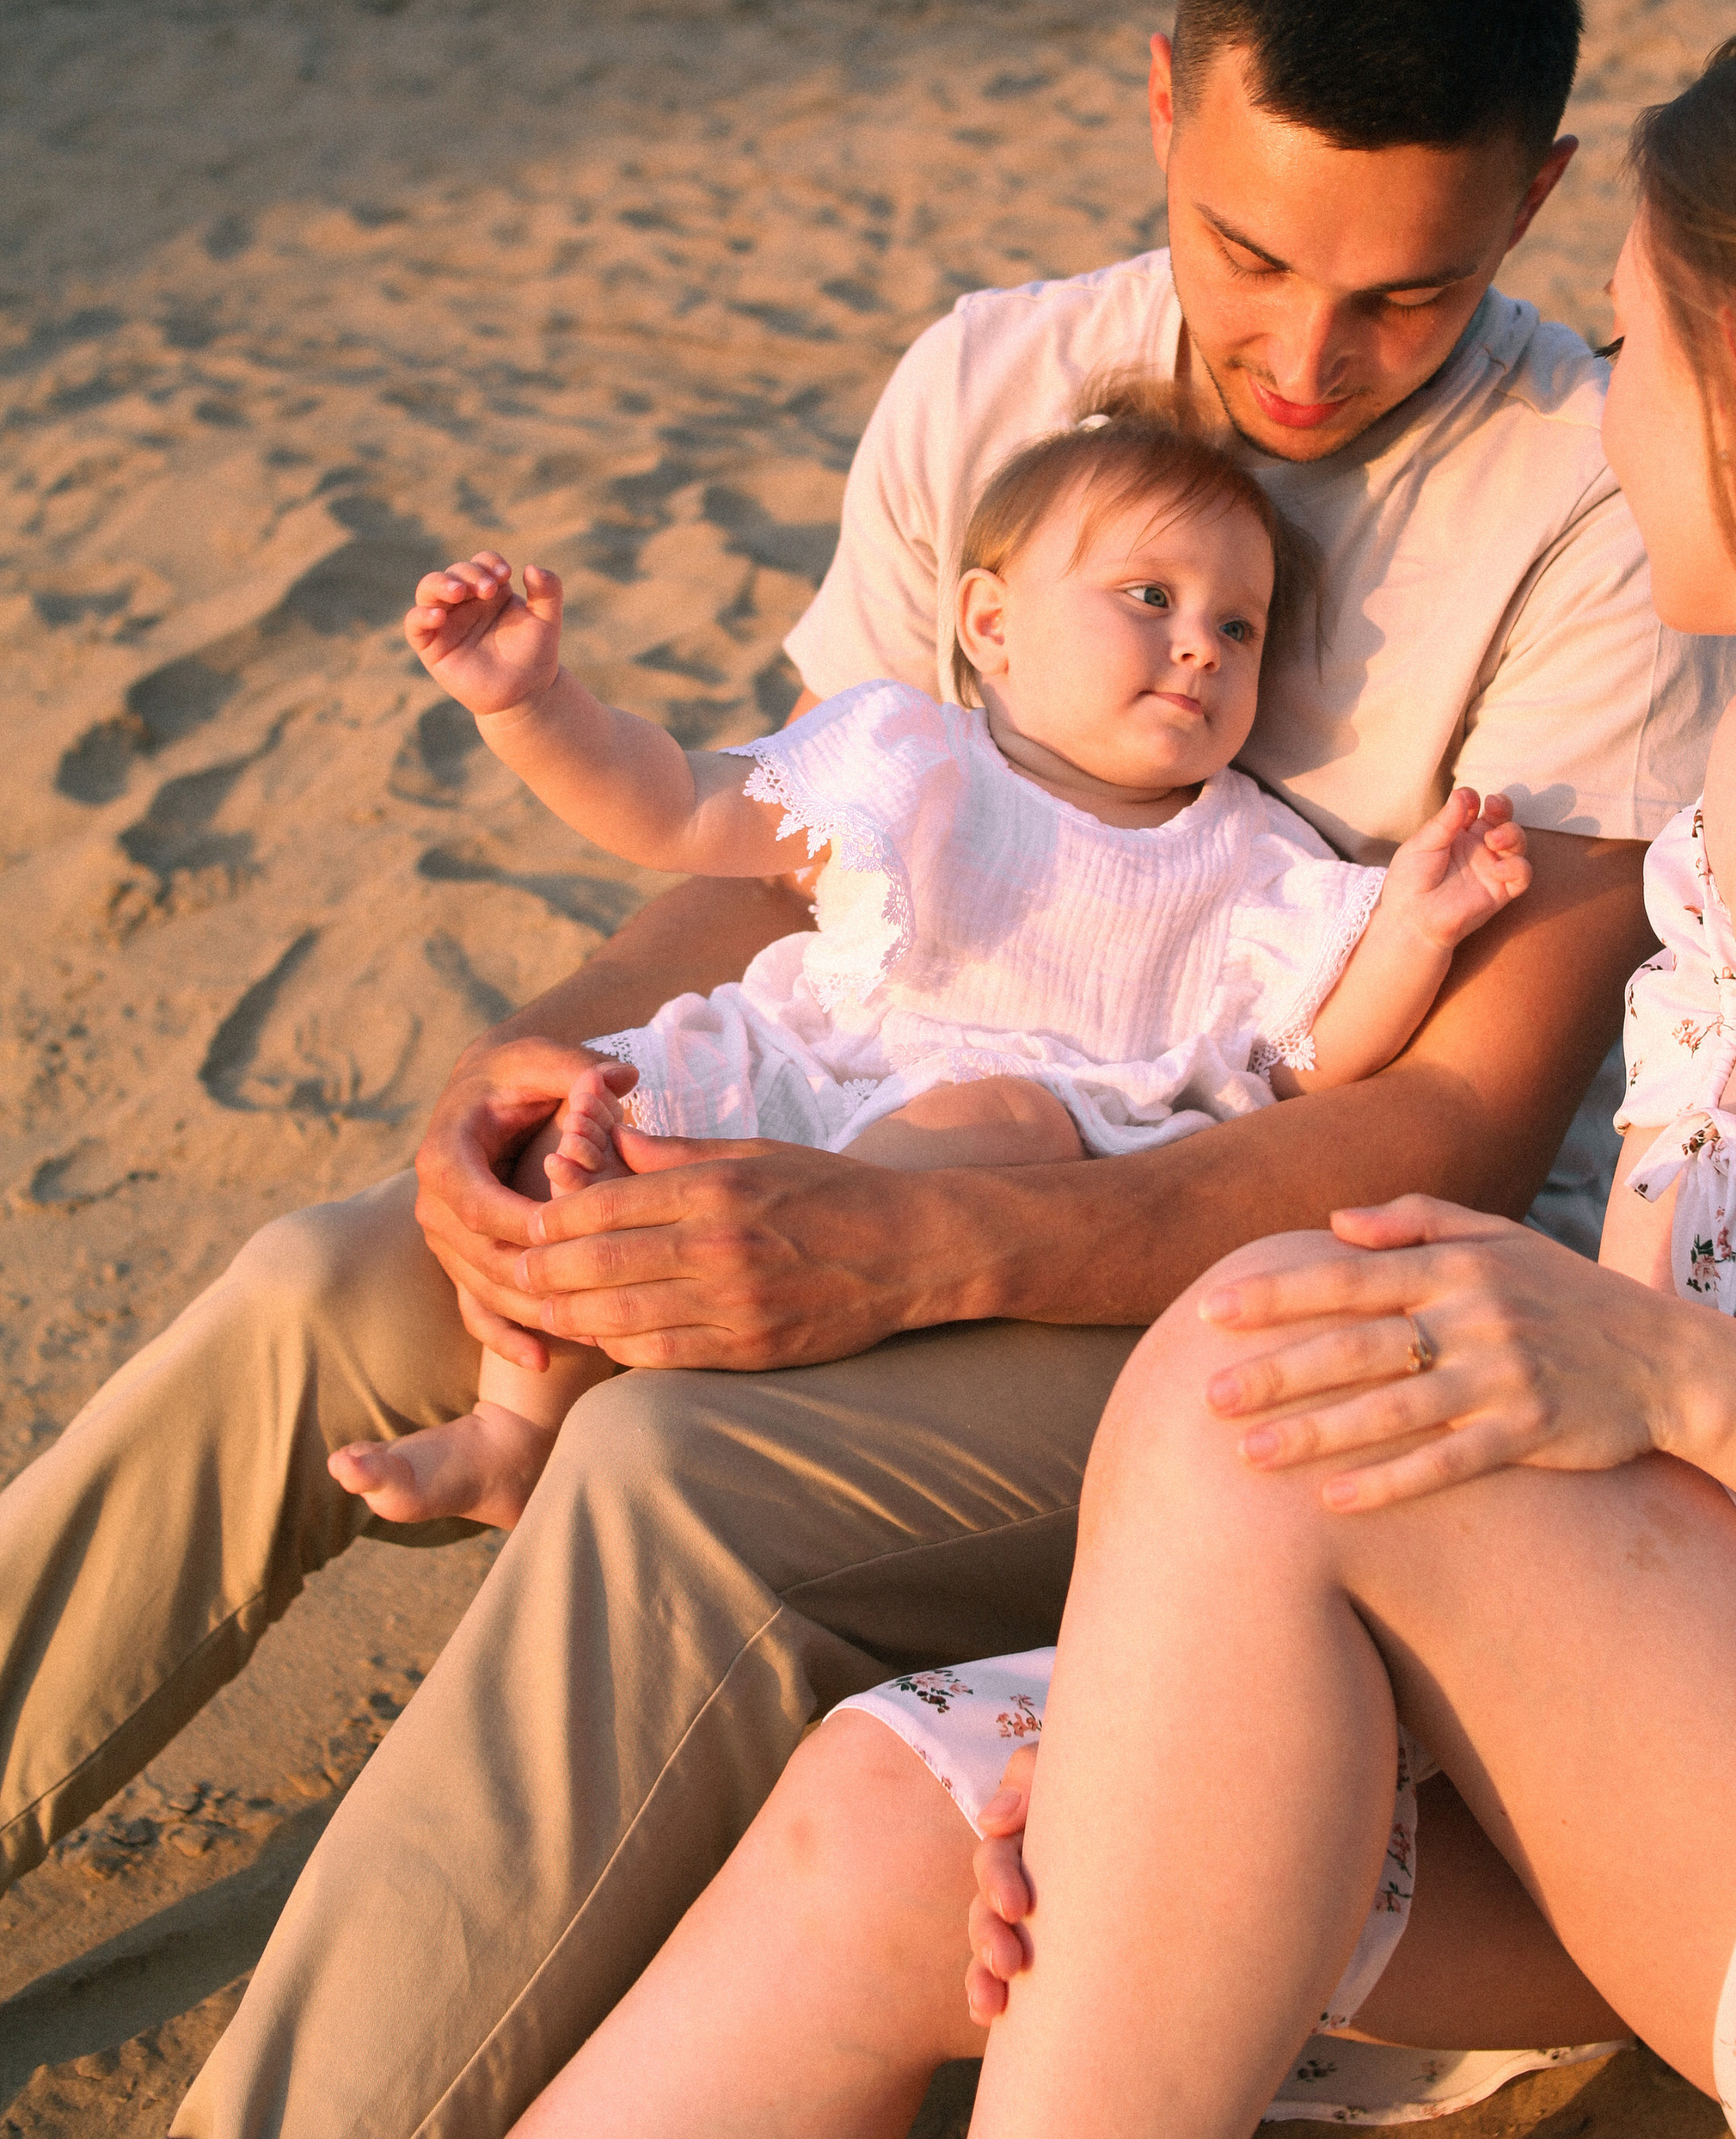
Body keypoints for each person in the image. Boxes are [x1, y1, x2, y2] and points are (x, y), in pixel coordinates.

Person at [267, 0, 1736, 2139]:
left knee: (1272, 1363)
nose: (1595, 402)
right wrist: (1199, 1688)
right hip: (1709, 1713)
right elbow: (1594, 1366)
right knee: (909, 1811)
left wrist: (1686, 1387)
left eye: (1624, 341)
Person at [3, 0, 1736, 2139]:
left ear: (1536, 208)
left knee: (678, 1491)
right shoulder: (988, 385)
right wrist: (556, 1059)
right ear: (1160, 104)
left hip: (1270, 1280)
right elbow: (798, 869)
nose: (1304, 353)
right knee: (321, 1300)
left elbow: (1473, 1119)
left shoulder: (1595, 499)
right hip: (866, 1118)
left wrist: (913, 1252)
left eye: (1409, 287)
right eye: (1246, 252)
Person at [336, 396, 1533, 1526]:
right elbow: (678, 808)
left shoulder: (1243, 852)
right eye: (1150, 596)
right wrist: (535, 708)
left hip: (975, 1168)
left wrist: (1419, 929)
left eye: (1239, 625)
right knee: (588, 1111)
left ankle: (734, 1334)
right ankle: (514, 1430)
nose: (1202, 648)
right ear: (993, 625)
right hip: (806, 1072)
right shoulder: (905, 757)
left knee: (997, 1112)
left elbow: (1310, 1055)